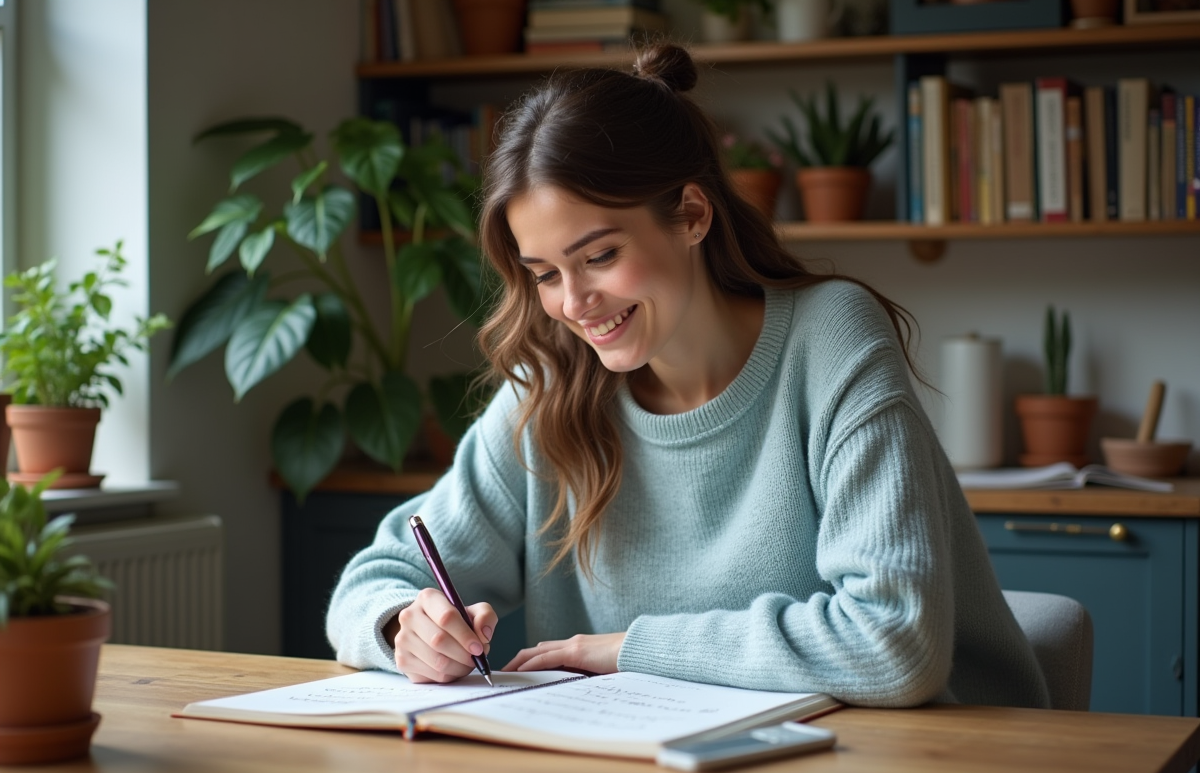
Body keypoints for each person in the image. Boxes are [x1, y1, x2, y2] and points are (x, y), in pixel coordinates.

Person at [326, 43, 1050, 709]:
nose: (574, 305)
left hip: (921, 759)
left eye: (601, 256)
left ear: (692, 214)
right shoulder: (551, 386)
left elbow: (896, 643)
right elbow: (370, 583)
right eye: (545, 274)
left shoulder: (829, 338)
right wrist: (403, 628)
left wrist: (628, 651)